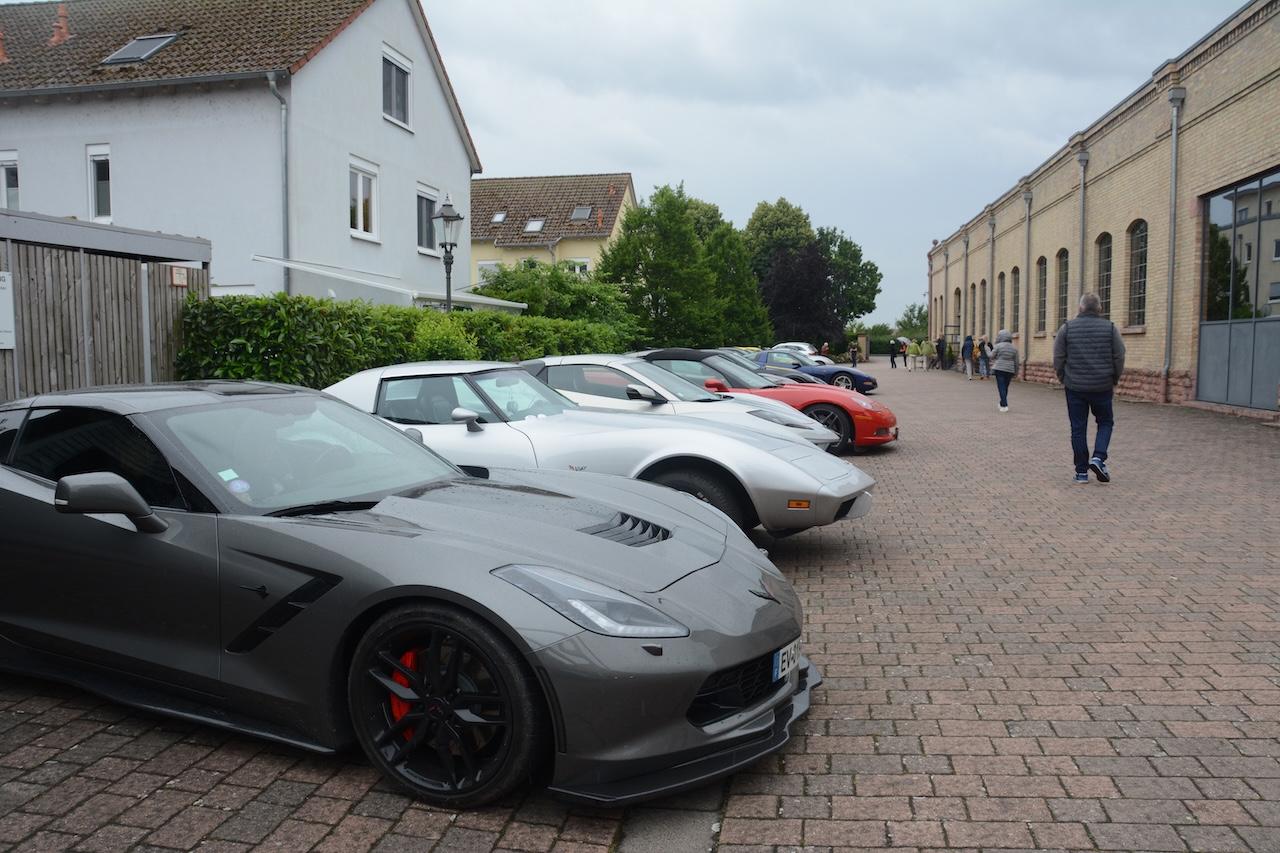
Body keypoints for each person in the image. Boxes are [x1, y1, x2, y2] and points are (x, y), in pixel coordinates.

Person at [1053, 292, 1126, 484]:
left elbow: (1058, 357)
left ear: (1080, 307)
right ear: (1100, 308)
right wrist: (1114, 378)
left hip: (1075, 387)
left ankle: (1081, 473)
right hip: (1102, 386)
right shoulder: (1110, 328)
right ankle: (1098, 457)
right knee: (1105, 422)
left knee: (1078, 428)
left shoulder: (1067, 328)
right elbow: (1119, 355)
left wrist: (1063, 377)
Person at [990, 329, 1018, 411]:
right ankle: (1002, 403)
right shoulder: (1014, 348)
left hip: (999, 369)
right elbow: (1016, 361)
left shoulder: (998, 346)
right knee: (1005, 387)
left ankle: (1004, 405)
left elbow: (991, 356)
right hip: (1010, 370)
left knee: (1001, 387)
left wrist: (987, 350)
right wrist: (1016, 372)